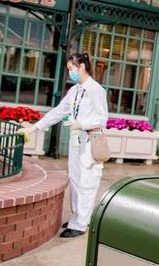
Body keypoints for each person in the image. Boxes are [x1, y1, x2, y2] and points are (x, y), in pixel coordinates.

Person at [20, 53, 109, 238]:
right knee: (76, 179)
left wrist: (81, 124)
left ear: (82, 67)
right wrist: (35, 128)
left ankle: (80, 224)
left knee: (87, 181)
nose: (70, 73)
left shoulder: (96, 90)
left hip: (90, 140)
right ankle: (79, 217)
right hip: (76, 140)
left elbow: (101, 118)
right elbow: (59, 111)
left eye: (71, 69)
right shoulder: (75, 90)